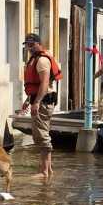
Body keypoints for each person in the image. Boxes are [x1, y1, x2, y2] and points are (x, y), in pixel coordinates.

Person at [22, 33, 62, 178]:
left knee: (42, 135)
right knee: (40, 134)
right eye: (27, 45)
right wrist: (28, 101)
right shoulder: (35, 59)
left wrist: (37, 102)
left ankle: (44, 171)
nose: (29, 48)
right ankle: (48, 170)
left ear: (39, 44)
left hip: (43, 101)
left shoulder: (42, 61)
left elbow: (44, 83)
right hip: (40, 99)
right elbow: (36, 85)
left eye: (32, 44)